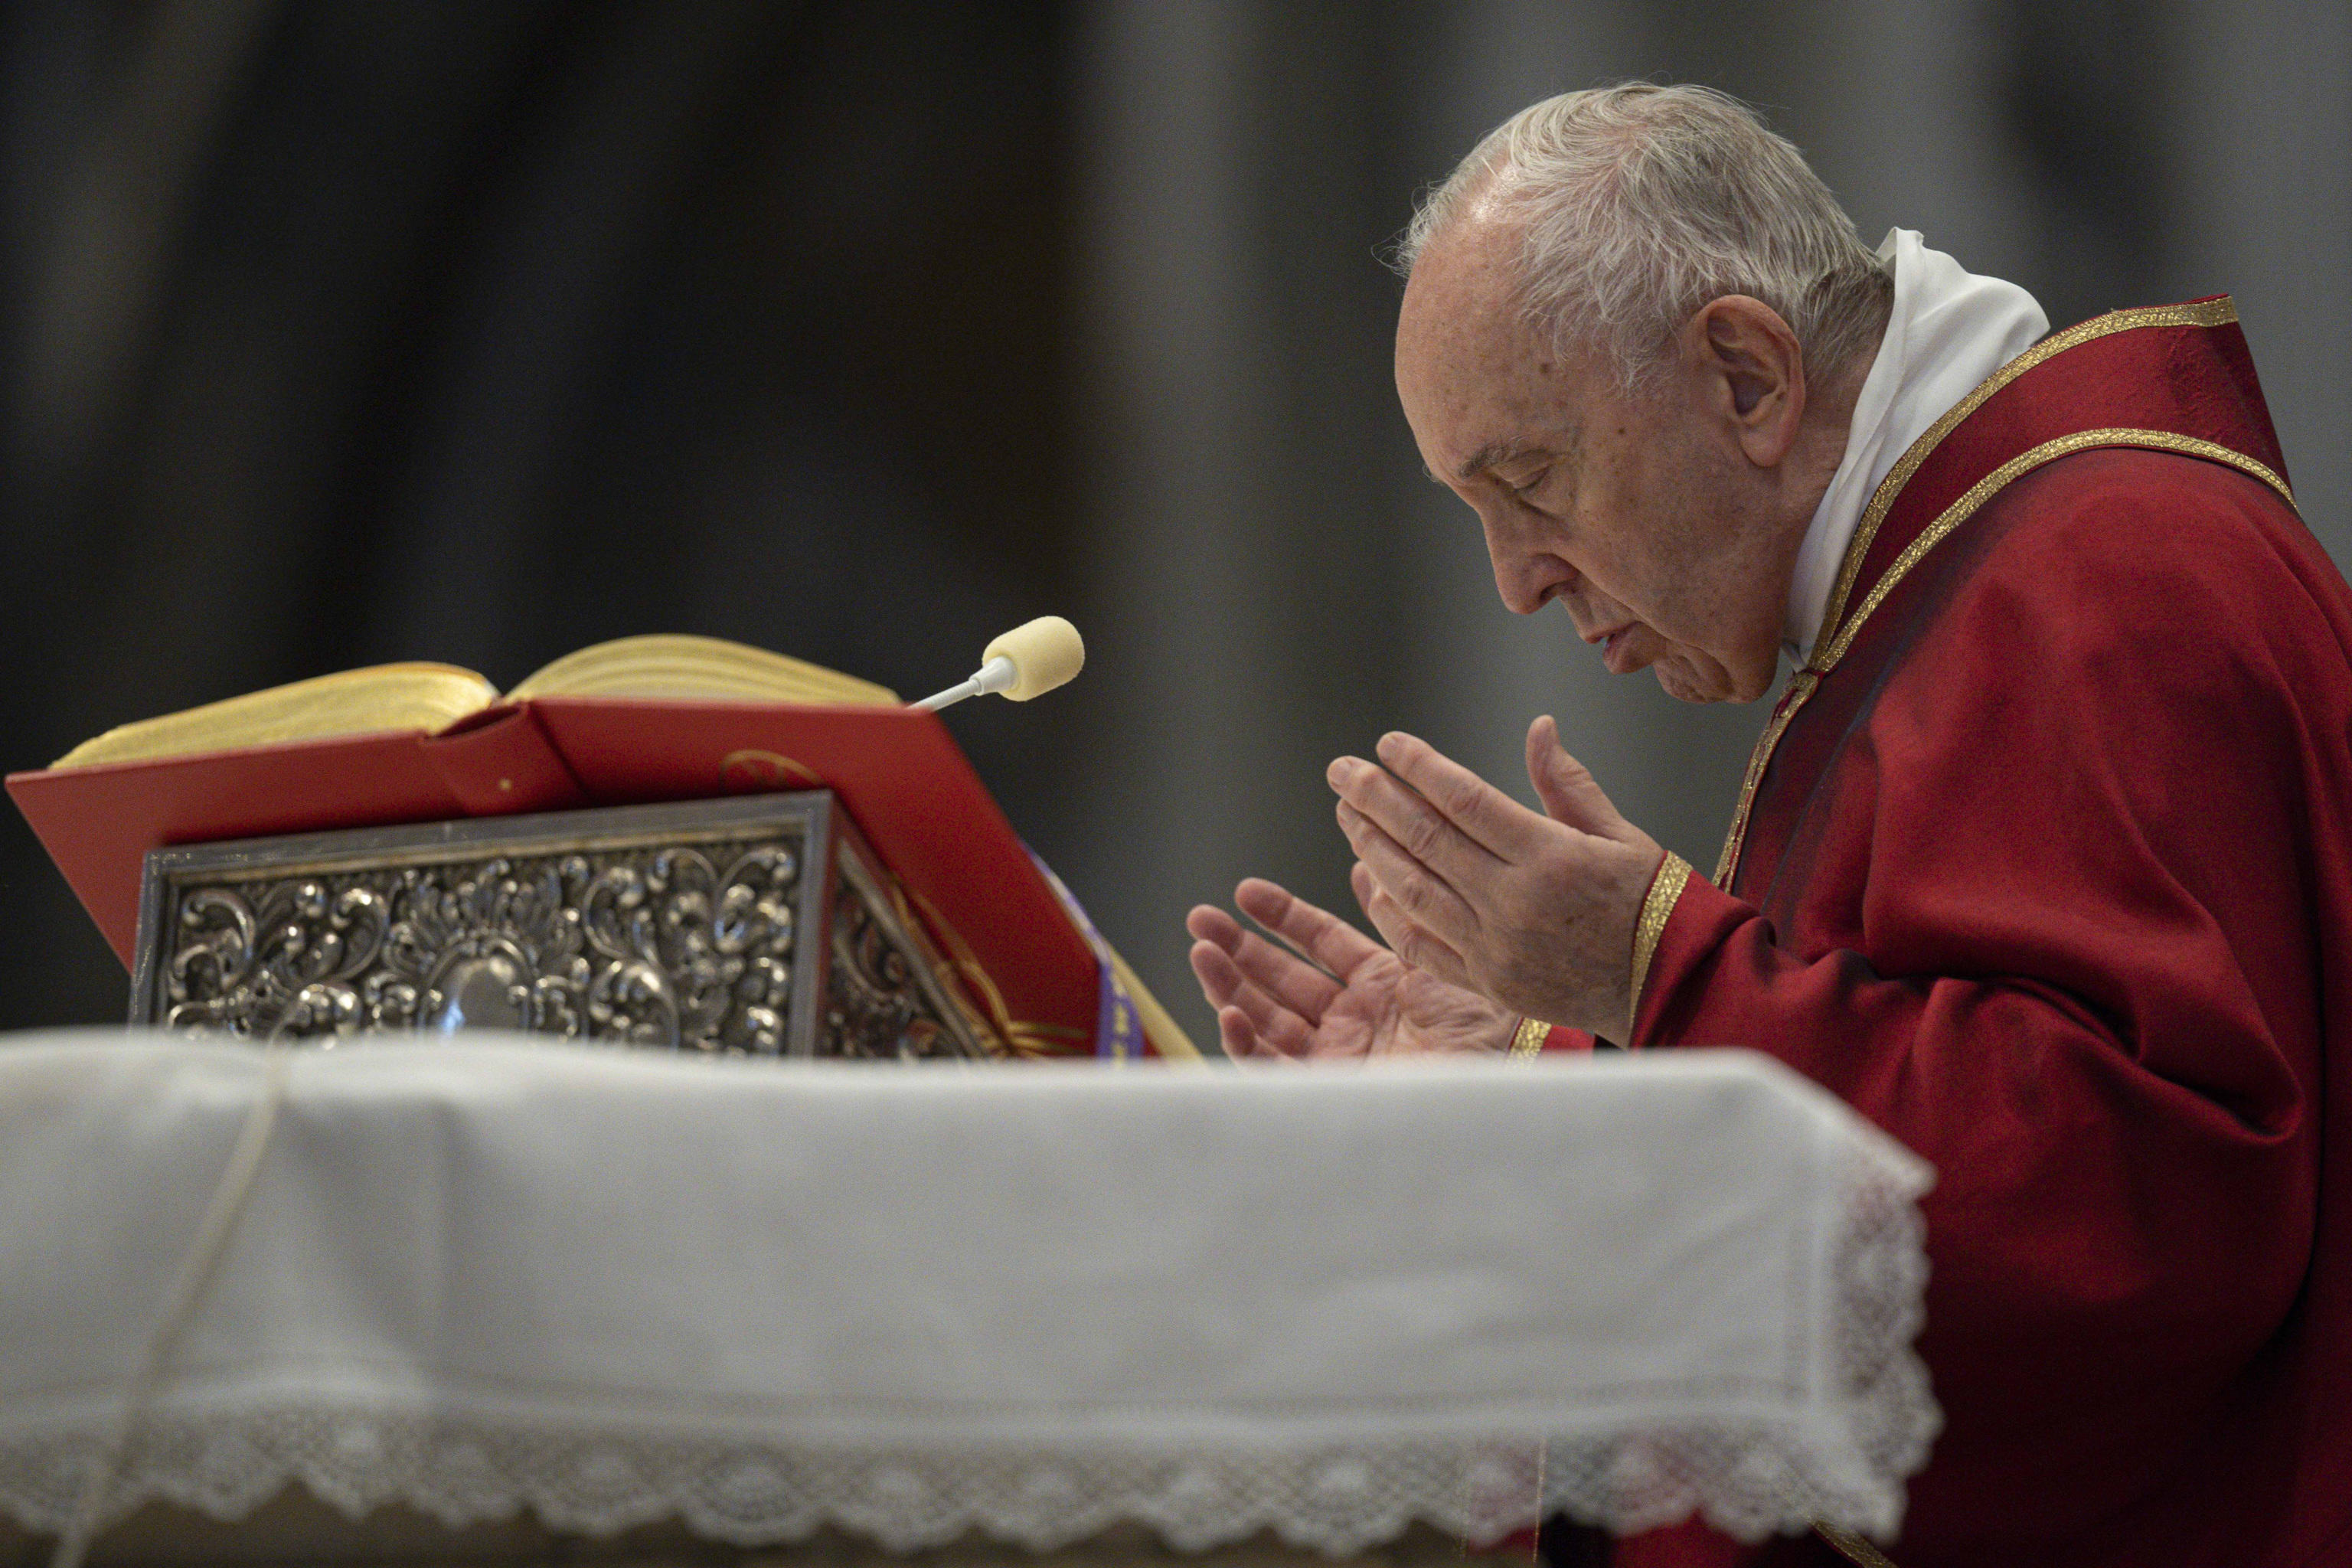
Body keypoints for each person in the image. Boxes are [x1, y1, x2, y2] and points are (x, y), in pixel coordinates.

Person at [1184, 84, 2350, 1567]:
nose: (1514, 583)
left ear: (1746, 375)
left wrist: (1655, 972)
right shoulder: (1979, 582)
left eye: (1529, 483)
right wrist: (1555, 1073)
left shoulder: (2095, 581)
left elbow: (2131, 1228)